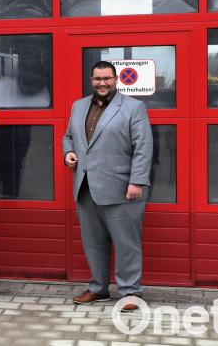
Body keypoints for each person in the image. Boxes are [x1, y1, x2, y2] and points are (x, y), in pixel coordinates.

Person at [62, 61, 152, 312]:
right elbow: (68, 135)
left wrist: (137, 181)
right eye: (97, 79)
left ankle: (131, 292)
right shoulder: (78, 106)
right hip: (86, 186)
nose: (102, 83)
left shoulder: (134, 107)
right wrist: (68, 152)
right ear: (91, 80)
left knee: (127, 243)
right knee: (93, 242)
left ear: (116, 79)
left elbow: (143, 147)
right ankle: (98, 287)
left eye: (107, 78)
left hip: (123, 187)